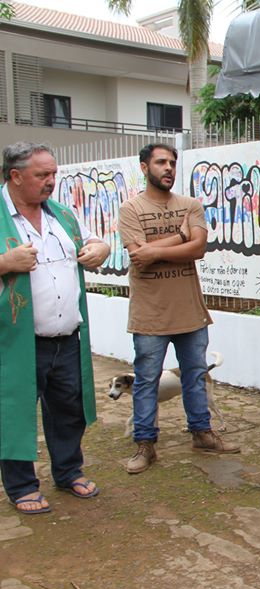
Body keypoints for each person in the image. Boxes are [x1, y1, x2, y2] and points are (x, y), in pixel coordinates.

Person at [0, 142, 110, 514]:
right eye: (42, 175)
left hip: (67, 339)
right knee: (14, 412)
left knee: (69, 409)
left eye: (53, 174)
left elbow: (93, 239)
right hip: (16, 341)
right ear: (15, 176)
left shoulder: (62, 214)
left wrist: (101, 248)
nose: (51, 181)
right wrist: (4, 262)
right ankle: (21, 486)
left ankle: (68, 471)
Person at [119, 143, 239, 474]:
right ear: (145, 168)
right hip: (149, 313)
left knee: (195, 375)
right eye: (160, 162)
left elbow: (198, 248)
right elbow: (137, 256)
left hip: (189, 310)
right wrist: (177, 238)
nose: (168, 168)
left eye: (172, 162)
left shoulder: (191, 205)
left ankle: (202, 433)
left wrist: (157, 249)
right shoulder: (131, 209)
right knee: (145, 381)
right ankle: (146, 445)